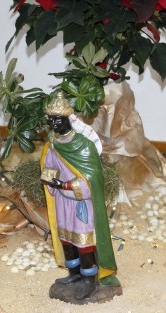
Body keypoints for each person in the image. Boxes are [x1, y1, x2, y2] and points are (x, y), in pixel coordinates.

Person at [41, 92, 119, 300]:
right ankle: (74, 274)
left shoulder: (83, 146)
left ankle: (89, 279)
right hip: (62, 201)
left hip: (80, 203)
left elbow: (92, 179)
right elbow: (50, 165)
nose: (53, 124)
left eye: (57, 119)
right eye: (51, 119)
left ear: (68, 119)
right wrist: (49, 178)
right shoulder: (54, 143)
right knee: (67, 239)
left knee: (83, 241)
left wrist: (64, 184)